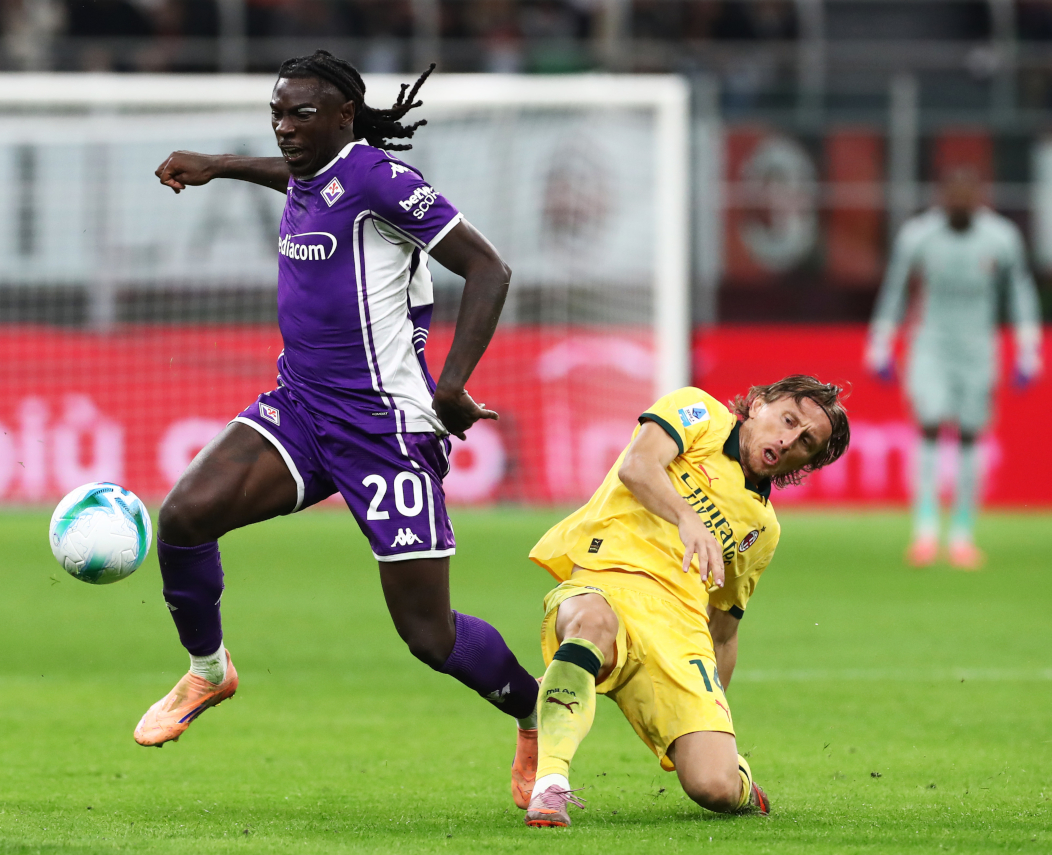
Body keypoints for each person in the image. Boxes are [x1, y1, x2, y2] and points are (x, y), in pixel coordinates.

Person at [141, 50, 541, 802]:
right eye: (277, 114)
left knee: (429, 636)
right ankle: (207, 672)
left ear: (343, 116)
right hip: (300, 407)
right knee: (186, 515)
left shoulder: (380, 182)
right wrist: (219, 165)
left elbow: (489, 269)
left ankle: (532, 712)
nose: (285, 129)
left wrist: (453, 386)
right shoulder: (309, 170)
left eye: (301, 114)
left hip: (383, 428)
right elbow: (293, 172)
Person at [520, 377, 851, 827]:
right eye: (788, 420)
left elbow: (725, 630)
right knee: (588, 625)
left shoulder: (763, 529)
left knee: (713, 788)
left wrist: (710, 713)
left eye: (805, 441)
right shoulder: (698, 413)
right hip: (606, 583)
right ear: (757, 405)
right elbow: (636, 466)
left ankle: (736, 779)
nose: (788, 439)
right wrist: (687, 518)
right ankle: (551, 784)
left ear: (807, 461)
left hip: (680, 633)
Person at [865, 167, 1043, 569]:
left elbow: (1019, 291)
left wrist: (1029, 348)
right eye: (954, 199)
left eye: (968, 199)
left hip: (979, 346)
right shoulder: (919, 235)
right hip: (929, 342)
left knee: (968, 435)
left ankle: (962, 533)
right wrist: (880, 343)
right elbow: (895, 288)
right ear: (943, 199)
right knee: (928, 424)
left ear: (979, 199)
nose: (960, 206)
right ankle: (925, 531)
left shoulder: (1000, 238)